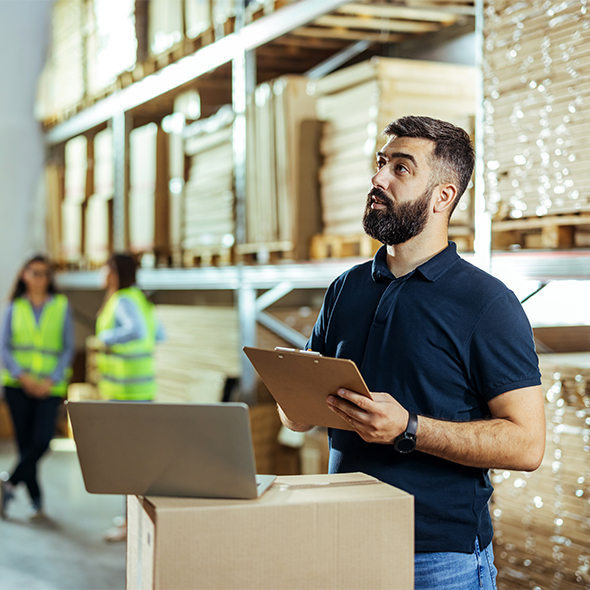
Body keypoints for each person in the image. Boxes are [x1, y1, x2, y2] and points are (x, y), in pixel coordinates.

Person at [279, 116, 545, 590]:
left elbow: (527, 445)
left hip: (438, 562)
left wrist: (409, 429)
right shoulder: (347, 288)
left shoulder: (486, 303)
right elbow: (300, 414)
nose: (378, 179)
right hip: (343, 542)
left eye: (401, 169)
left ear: (443, 196)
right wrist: (293, 397)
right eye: (381, 164)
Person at [94, 252, 164, 541]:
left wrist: (107, 339)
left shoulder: (122, 300)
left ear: (115, 272)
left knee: (125, 461)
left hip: (125, 392)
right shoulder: (140, 298)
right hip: (142, 390)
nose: (101, 272)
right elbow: (159, 334)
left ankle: (129, 523)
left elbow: (135, 331)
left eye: (105, 267)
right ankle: (137, 518)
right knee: (138, 459)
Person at [0, 254, 75, 519]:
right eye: (33, 272)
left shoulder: (61, 306)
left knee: (42, 441)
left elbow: (68, 348)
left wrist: (51, 380)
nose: (38, 278)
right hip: (18, 386)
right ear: (24, 275)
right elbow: (4, 347)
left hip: (49, 387)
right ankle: (37, 501)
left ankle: (7, 483)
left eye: (44, 273)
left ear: (49, 278)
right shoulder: (14, 307)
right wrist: (23, 376)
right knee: (25, 447)